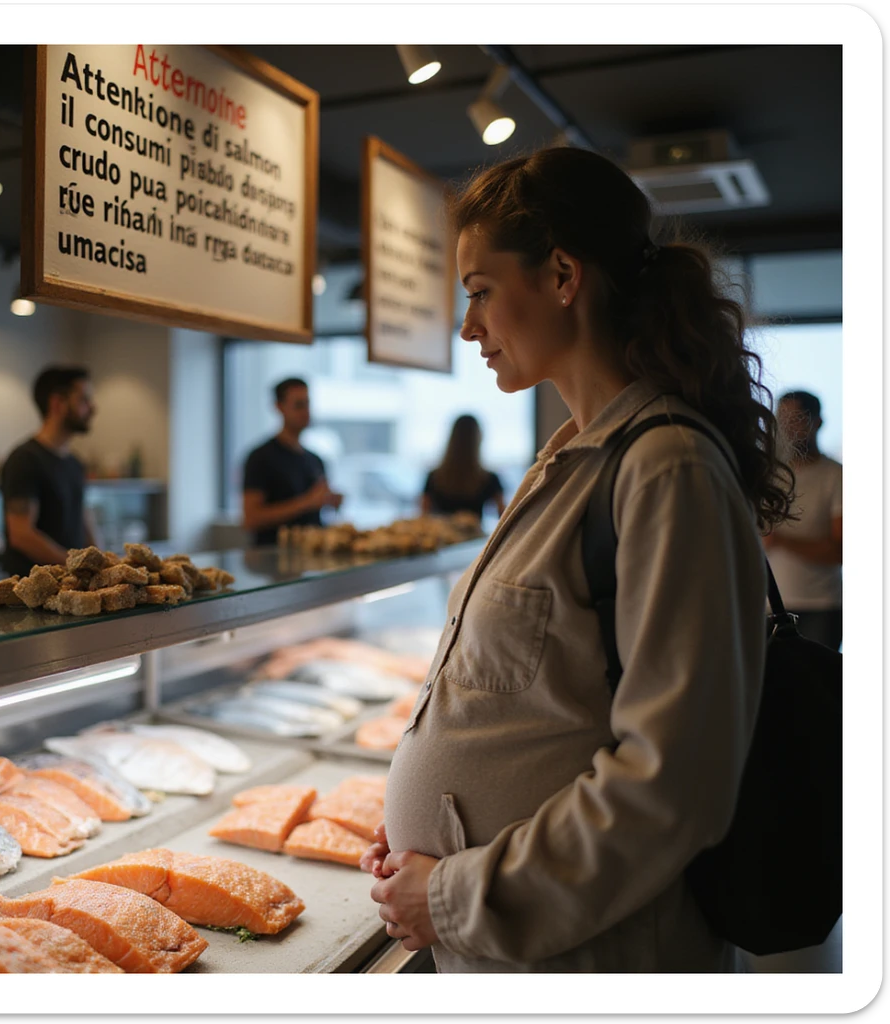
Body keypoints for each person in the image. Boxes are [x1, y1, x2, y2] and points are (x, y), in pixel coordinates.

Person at [361, 146, 795, 973]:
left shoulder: (667, 467)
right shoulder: (576, 457)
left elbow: (670, 787)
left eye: (481, 293)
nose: (468, 327)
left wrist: (451, 891)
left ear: (563, 275)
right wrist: (431, 835)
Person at [0, 366, 100, 577]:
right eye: (84, 400)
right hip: (31, 593)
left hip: (67, 585)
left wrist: (101, 562)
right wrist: (76, 564)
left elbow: (83, 518)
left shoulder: (74, 463)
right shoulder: (25, 459)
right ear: (58, 403)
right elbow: (21, 534)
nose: (92, 408)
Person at [762, 391, 843, 651]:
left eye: (795, 418)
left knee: (817, 687)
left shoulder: (835, 475)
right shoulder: (767, 474)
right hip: (768, 605)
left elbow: (839, 550)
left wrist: (781, 540)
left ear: (817, 422)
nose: (786, 427)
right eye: (781, 419)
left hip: (821, 605)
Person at [241, 378, 342, 547]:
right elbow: (251, 519)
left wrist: (330, 500)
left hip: (311, 561)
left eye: (307, 404)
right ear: (279, 407)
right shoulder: (260, 458)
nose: (306, 412)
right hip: (273, 562)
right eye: (298, 405)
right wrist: (307, 502)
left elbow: (317, 508)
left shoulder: (315, 460)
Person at [421, 414, 506, 521]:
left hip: (442, 536)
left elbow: (423, 516)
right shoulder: (489, 479)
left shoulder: (434, 477)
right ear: (478, 439)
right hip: (475, 535)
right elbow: (504, 517)